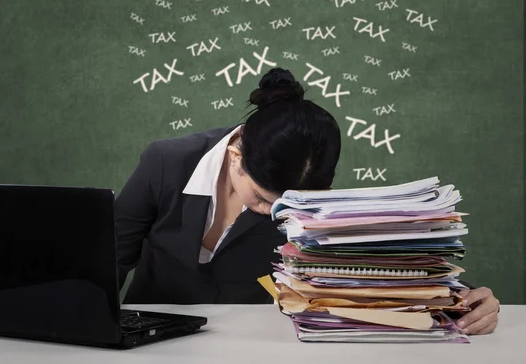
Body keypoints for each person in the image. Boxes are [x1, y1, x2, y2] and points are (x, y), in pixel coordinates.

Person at [115, 67, 500, 335]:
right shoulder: (165, 161)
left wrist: (461, 298)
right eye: (265, 199)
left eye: (288, 204)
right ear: (237, 153)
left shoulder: (309, 207)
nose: (275, 214)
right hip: (148, 335)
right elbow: (111, 256)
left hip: (246, 343)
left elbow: (369, 264)